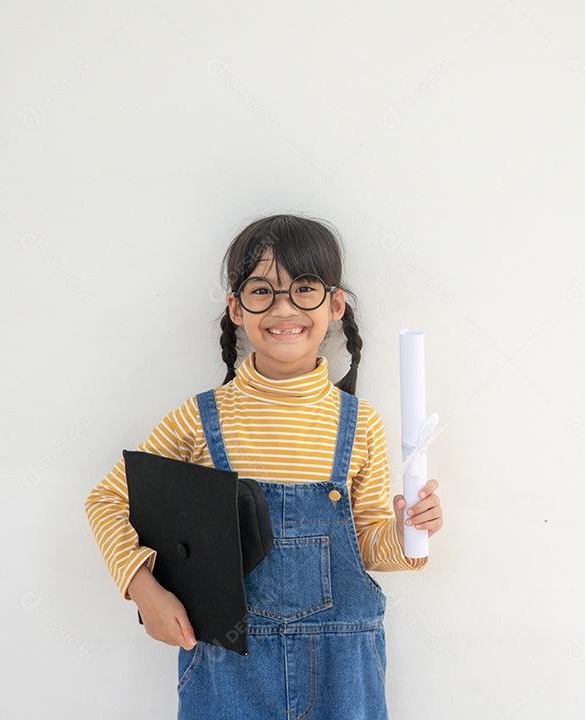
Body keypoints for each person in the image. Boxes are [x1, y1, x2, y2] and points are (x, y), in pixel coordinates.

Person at [84, 213, 444, 718]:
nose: (283, 308)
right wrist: (145, 591)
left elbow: (365, 542)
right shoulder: (198, 419)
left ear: (335, 304)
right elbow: (106, 499)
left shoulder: (359, 423)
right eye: (261, 291)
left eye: (304, 289)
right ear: (236, 307)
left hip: (342, 670)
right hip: (227, 668)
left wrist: (410, 533)